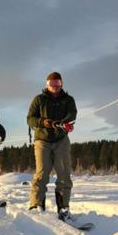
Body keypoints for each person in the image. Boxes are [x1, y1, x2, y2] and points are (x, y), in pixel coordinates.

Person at [27, 71, 77, 221]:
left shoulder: (68, 100)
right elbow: (30, 119)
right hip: (42, 141)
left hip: (61, 140)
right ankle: (37, 205)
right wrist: (43, 122)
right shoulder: (39, 100)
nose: (55, 87)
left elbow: (72, 114)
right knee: (41, 174)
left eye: (58, 83)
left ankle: (63, 208)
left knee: (64, 175)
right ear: (47, 85)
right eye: (52, 84)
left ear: (61, 84)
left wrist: (64, 122)